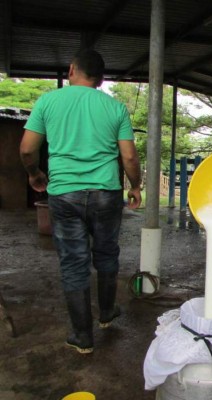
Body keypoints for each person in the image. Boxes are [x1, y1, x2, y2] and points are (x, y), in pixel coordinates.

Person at [20, 49, 142, 354]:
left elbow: (26, 149)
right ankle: (106, 313)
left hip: (64, 194)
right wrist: (136, 186)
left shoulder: (48, 101)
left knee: (74, 263)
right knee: (106, 254)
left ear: (72, 69)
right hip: (105, 193)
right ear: (100, 79)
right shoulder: (115, 107)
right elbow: (128, 155)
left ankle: (82, 336)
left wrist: (35, 173)